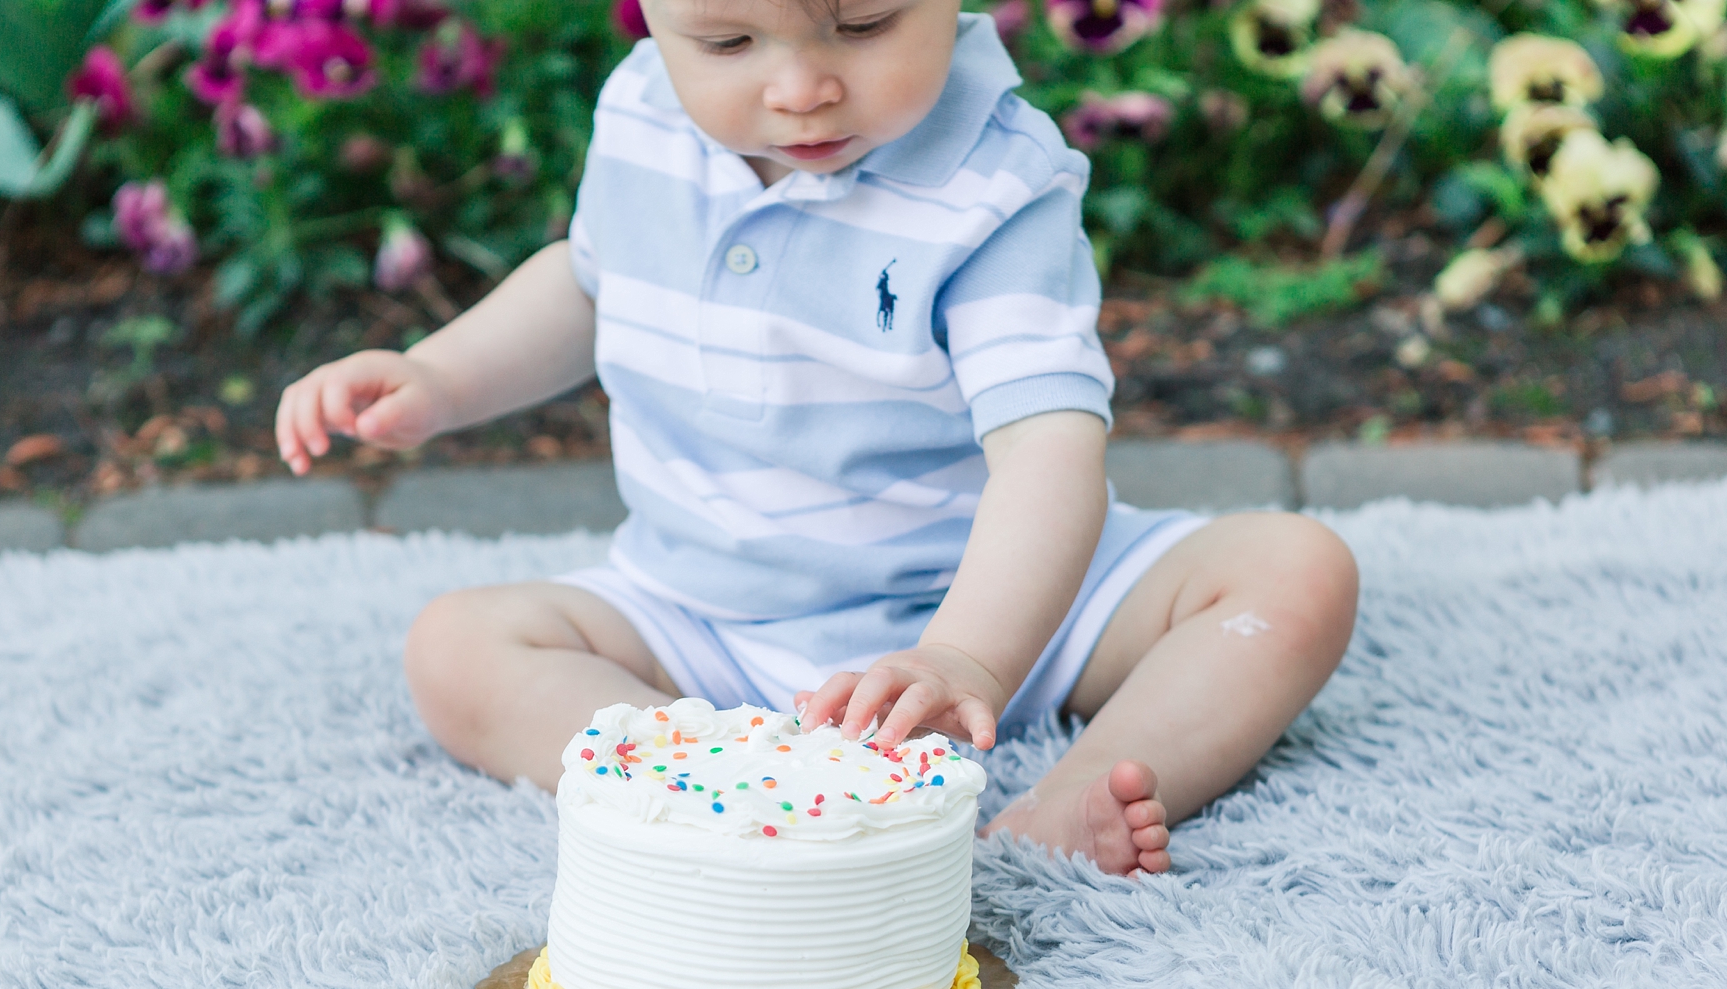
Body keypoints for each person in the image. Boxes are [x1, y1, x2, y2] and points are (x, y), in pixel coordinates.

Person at [274, 0, 1358, 876]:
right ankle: (732, 787)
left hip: (996, 607)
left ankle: (1082, 791)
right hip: (702, 619)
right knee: (456, 650)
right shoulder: (646, 116)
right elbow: (590, 282)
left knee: (1293, 571)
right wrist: (439, 375)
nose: (799, 89)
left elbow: (1048, 451)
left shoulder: (994, 180)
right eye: (729, 42)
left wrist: (962, 655)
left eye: (865, 22)